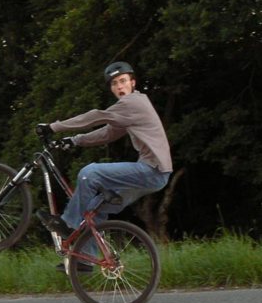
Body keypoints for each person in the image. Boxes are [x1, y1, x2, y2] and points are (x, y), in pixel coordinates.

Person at [35, 61, 173, 272]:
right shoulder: (128, 112)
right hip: (155, 176)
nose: (119, 86)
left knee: (89, 173)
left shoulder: (134, 102)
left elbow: (95, 116)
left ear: (133, 83)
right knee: (94, 209)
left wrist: (54, 127)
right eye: (115, 83)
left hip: (152, 170)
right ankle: (87, 259)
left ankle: (67, 223)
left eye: (123, 81)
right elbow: (108, 133)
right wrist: (74, 140)